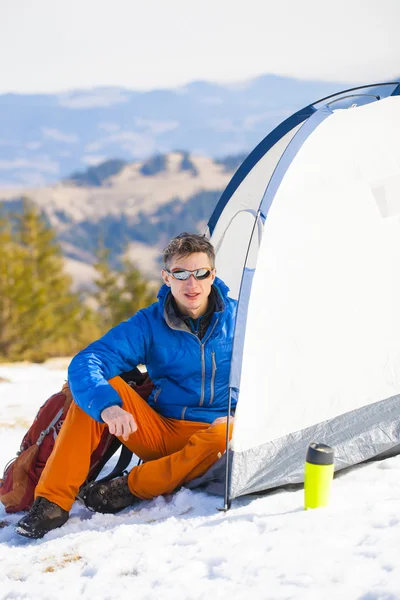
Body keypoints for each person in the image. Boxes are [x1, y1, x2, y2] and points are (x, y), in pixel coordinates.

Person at [16, 232, 237, 539]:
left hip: (217, 432)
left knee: (228, 433)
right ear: (166, 277)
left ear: (213, 275)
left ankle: (128, 487)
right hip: (161, 431)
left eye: (201, 273)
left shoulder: (242, 319)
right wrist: (109, 407)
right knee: (96, 392)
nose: (192, 284)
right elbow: (88, 361)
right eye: (181, 274)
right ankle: (52, 502)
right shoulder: (149, 323)